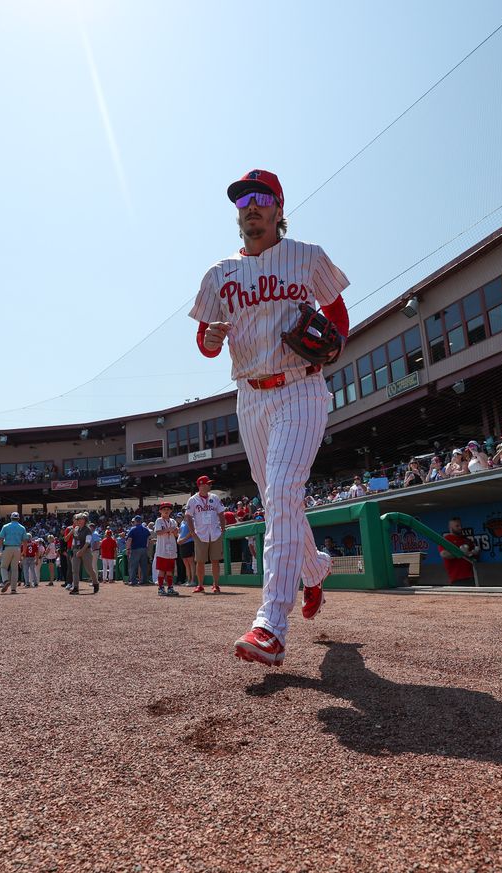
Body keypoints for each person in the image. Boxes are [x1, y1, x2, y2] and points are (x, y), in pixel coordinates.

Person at [190, 168, 348, 666]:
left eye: (261, 198)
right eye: (243, 201)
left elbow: (338, 316)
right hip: (250, 396)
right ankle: (315, 569)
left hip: (300, 387)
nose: (250, 207)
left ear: (279, 208)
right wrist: (209, 341)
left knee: (281, 491)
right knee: (276, 497)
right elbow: (206, 343)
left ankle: (270, 626)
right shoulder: (219, 274)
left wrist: (329, 345)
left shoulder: (307, 256)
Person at [185, 475, 225, 595]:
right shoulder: (193, 499)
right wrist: (192, 531)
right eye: (208, 483)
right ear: (201, 485)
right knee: (200, 561)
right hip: (201, 534)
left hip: (215, 533)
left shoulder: (215, 497)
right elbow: (188, 516)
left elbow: (221, 513)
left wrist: (223, 528)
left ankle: (216, 585)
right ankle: (200, 585)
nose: (210, 485)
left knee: (215, 560)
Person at [439, 517, 479, 586]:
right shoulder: (446, 539)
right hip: (457, 577)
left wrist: (474, 552)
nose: (460, 528)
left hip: (472, 575)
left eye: (460, 526)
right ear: (450, 527)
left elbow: (473, 553)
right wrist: (460, 553)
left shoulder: (465, 539)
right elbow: (444, 554)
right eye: (457, 526)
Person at [152, 502, 181, 596]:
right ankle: (160, 588)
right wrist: (169, 529)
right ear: (160, 511)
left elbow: (176, 535)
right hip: (162, 549)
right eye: (164, 509)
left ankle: (170, 588)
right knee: (161, 570)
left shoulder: (173, 521)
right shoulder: (159, 521)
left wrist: (176, 531)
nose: (166, 511)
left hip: (171, 549)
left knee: (169, 570)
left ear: (171, 511)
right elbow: (158, 532)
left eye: (168, 509)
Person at [66, 512, 98, 595]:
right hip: (76, 550)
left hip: (86, 551)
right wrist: (74, 550)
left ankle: (95, 583)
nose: (79, 521)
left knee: (89, 569)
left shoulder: (88, 530)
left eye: (81, 519)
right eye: (78, 519)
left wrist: (81, 551)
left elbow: (87, 542)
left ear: (85, 520)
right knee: (75, 570)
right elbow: (74, 540)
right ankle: (76, 588)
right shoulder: (76, 529)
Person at [0, 511, 27, 594]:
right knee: (15, 569)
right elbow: (25, 541)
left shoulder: (5, 526)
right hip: (17, 548)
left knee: (3, 567)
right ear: (18, 518)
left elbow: (0, 539)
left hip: (7, 548)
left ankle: (6, 580)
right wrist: (24, 552)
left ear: (10, 518)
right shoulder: (22, 527)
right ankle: (13, 589)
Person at [125, 515, 150, 586]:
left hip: (135, 549)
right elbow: (148, 538)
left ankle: (133, 581)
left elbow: (129, 540)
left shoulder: (133, 529)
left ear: (135, 521)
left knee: (133, 566)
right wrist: (146, 547)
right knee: (143, 566)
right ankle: (144, 580)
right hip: (144, 549)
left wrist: (127, 549)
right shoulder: (145, 529)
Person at [177, 512, 195, 586]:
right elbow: (180, 533)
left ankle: (193, 580)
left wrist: (183, 540)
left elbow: (191, 532)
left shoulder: (191, 520)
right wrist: (178, 539)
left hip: (189, 543)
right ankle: (188, 580)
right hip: (182, 544)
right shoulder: (182, 522)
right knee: (186, 563)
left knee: (191, 562)